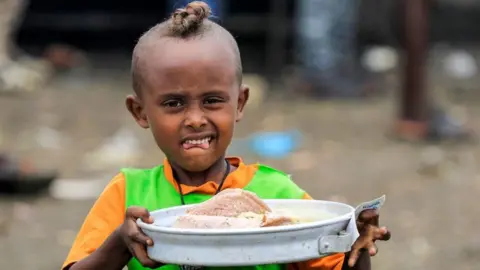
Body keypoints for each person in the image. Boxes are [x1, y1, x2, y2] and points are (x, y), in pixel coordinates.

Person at [62, 2, 391, 270]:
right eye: (174, 103)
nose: (195, 119)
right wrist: (121, 243)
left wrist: (355, 243)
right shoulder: (129, 196)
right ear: (140, 112)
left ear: (240, 103)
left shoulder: (275, 196)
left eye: (212, 101)